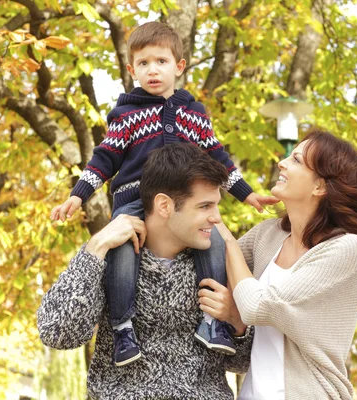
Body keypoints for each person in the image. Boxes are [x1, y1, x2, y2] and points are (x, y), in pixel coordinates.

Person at [49, 21, 277, 365]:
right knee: (124, 252)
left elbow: (219, 158)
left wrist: (247, 195)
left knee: (215, 244)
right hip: (133, 200)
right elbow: (104, 158)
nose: (152, 70)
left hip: (184, 206)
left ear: (179, 66)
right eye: (143, 64)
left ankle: (213, 322)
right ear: (131, 70)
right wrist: (78, 195)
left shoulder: (194, 114)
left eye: (161, 62)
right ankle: (123, 327)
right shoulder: (126, 114)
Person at [37, 143, 253, 399]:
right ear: (164, 206)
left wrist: (237, 322)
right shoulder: (108, 257)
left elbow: (242, 364)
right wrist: (96, 245)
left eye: (216, 205)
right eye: (205, 206)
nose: (217, 218)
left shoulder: (220, 260)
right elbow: (58, 334)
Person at [200, 128, 357, 399]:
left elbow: (255, 305)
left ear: (320, 186)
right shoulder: (268, 234)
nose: (281, 162)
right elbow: (217, 273)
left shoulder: (348, 249)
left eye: (296, 160)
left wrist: (226, 238)